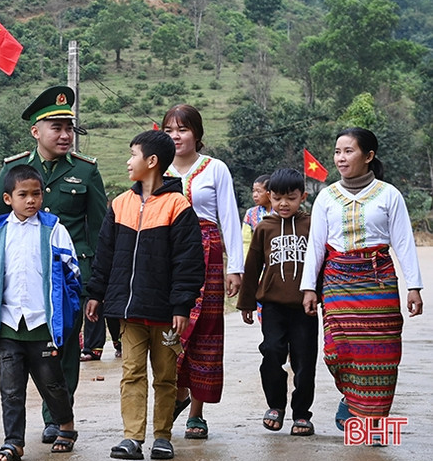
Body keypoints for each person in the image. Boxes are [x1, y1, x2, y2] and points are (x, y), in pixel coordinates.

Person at [0, 85, 107, 444]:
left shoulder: (86, 172)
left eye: (69, 128)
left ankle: (57, 418)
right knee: (22, 357)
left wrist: (98, 287)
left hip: (71, 279)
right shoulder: (13, 171)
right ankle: (30, 428)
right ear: (36, 131)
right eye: (56, 127)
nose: (65, 135)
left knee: (64, 353)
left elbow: (101, 230)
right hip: (24, 282)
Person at [86, 130, 204, 461]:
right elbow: (104, 254)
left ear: (151, 162)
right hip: (129, 311)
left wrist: (182, 304)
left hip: (166, 312)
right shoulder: (119, 204)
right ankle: (132, 439)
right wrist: (96, 292)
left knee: (165, 377)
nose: (127, 161)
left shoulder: (178, 206)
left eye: (133, 154)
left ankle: (162, 436)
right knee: (132, 373)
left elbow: (189, 262)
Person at [300, 127, 423, 434]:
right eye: (337, 152)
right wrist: (308, 288)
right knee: (337, 351)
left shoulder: (389, 194)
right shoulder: (326, 197)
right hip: (337, 282)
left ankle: (372, 424)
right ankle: (351, 399)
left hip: (378, 282)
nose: (341, 158)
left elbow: (404, 242)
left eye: (348, 151)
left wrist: (415, 287)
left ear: (368, 156)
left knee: (381, 354)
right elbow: (315, 245)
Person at [0, 164, 81, 461]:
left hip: (42, 324)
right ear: (8, 198)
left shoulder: (53, 229)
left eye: (36, 194)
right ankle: (13, 442)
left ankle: (65, 425)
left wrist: (66, 315)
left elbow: (72, 274)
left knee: (52, 383)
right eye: (23, 195)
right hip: (8, 325)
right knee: (10, 389)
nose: (31, 200)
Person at [162, 104, 244, 440]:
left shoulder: (216, 169)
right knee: (169, 330)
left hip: (207, 254)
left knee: (205, 331)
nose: (176, 136)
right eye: (169, 130)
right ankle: (174, 396)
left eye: (182, 129)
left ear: (197, 133)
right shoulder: (156, 167)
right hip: (166, 256)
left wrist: (234, 267)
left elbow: (229, 218)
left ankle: (196, 412)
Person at [237, 168, 318, 436]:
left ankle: (301, 414)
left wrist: (324, 298)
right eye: (278, 198)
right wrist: (246, 303)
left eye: (291, 198)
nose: (284, 204)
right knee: (271, 352)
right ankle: (275, 405)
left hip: (304, 307)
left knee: (304, 361)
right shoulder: (264, 228)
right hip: (272, 305)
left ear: (302, 197)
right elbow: (252, 267)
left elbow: (322, 263)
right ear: (269, 197)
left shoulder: (313, 225)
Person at [242, 174, 272, 253]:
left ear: (269, 193)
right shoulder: (250, 213)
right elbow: (246, 241)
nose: (255, 195)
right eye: (253, 191)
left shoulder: (280, 212)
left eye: (259, 191)